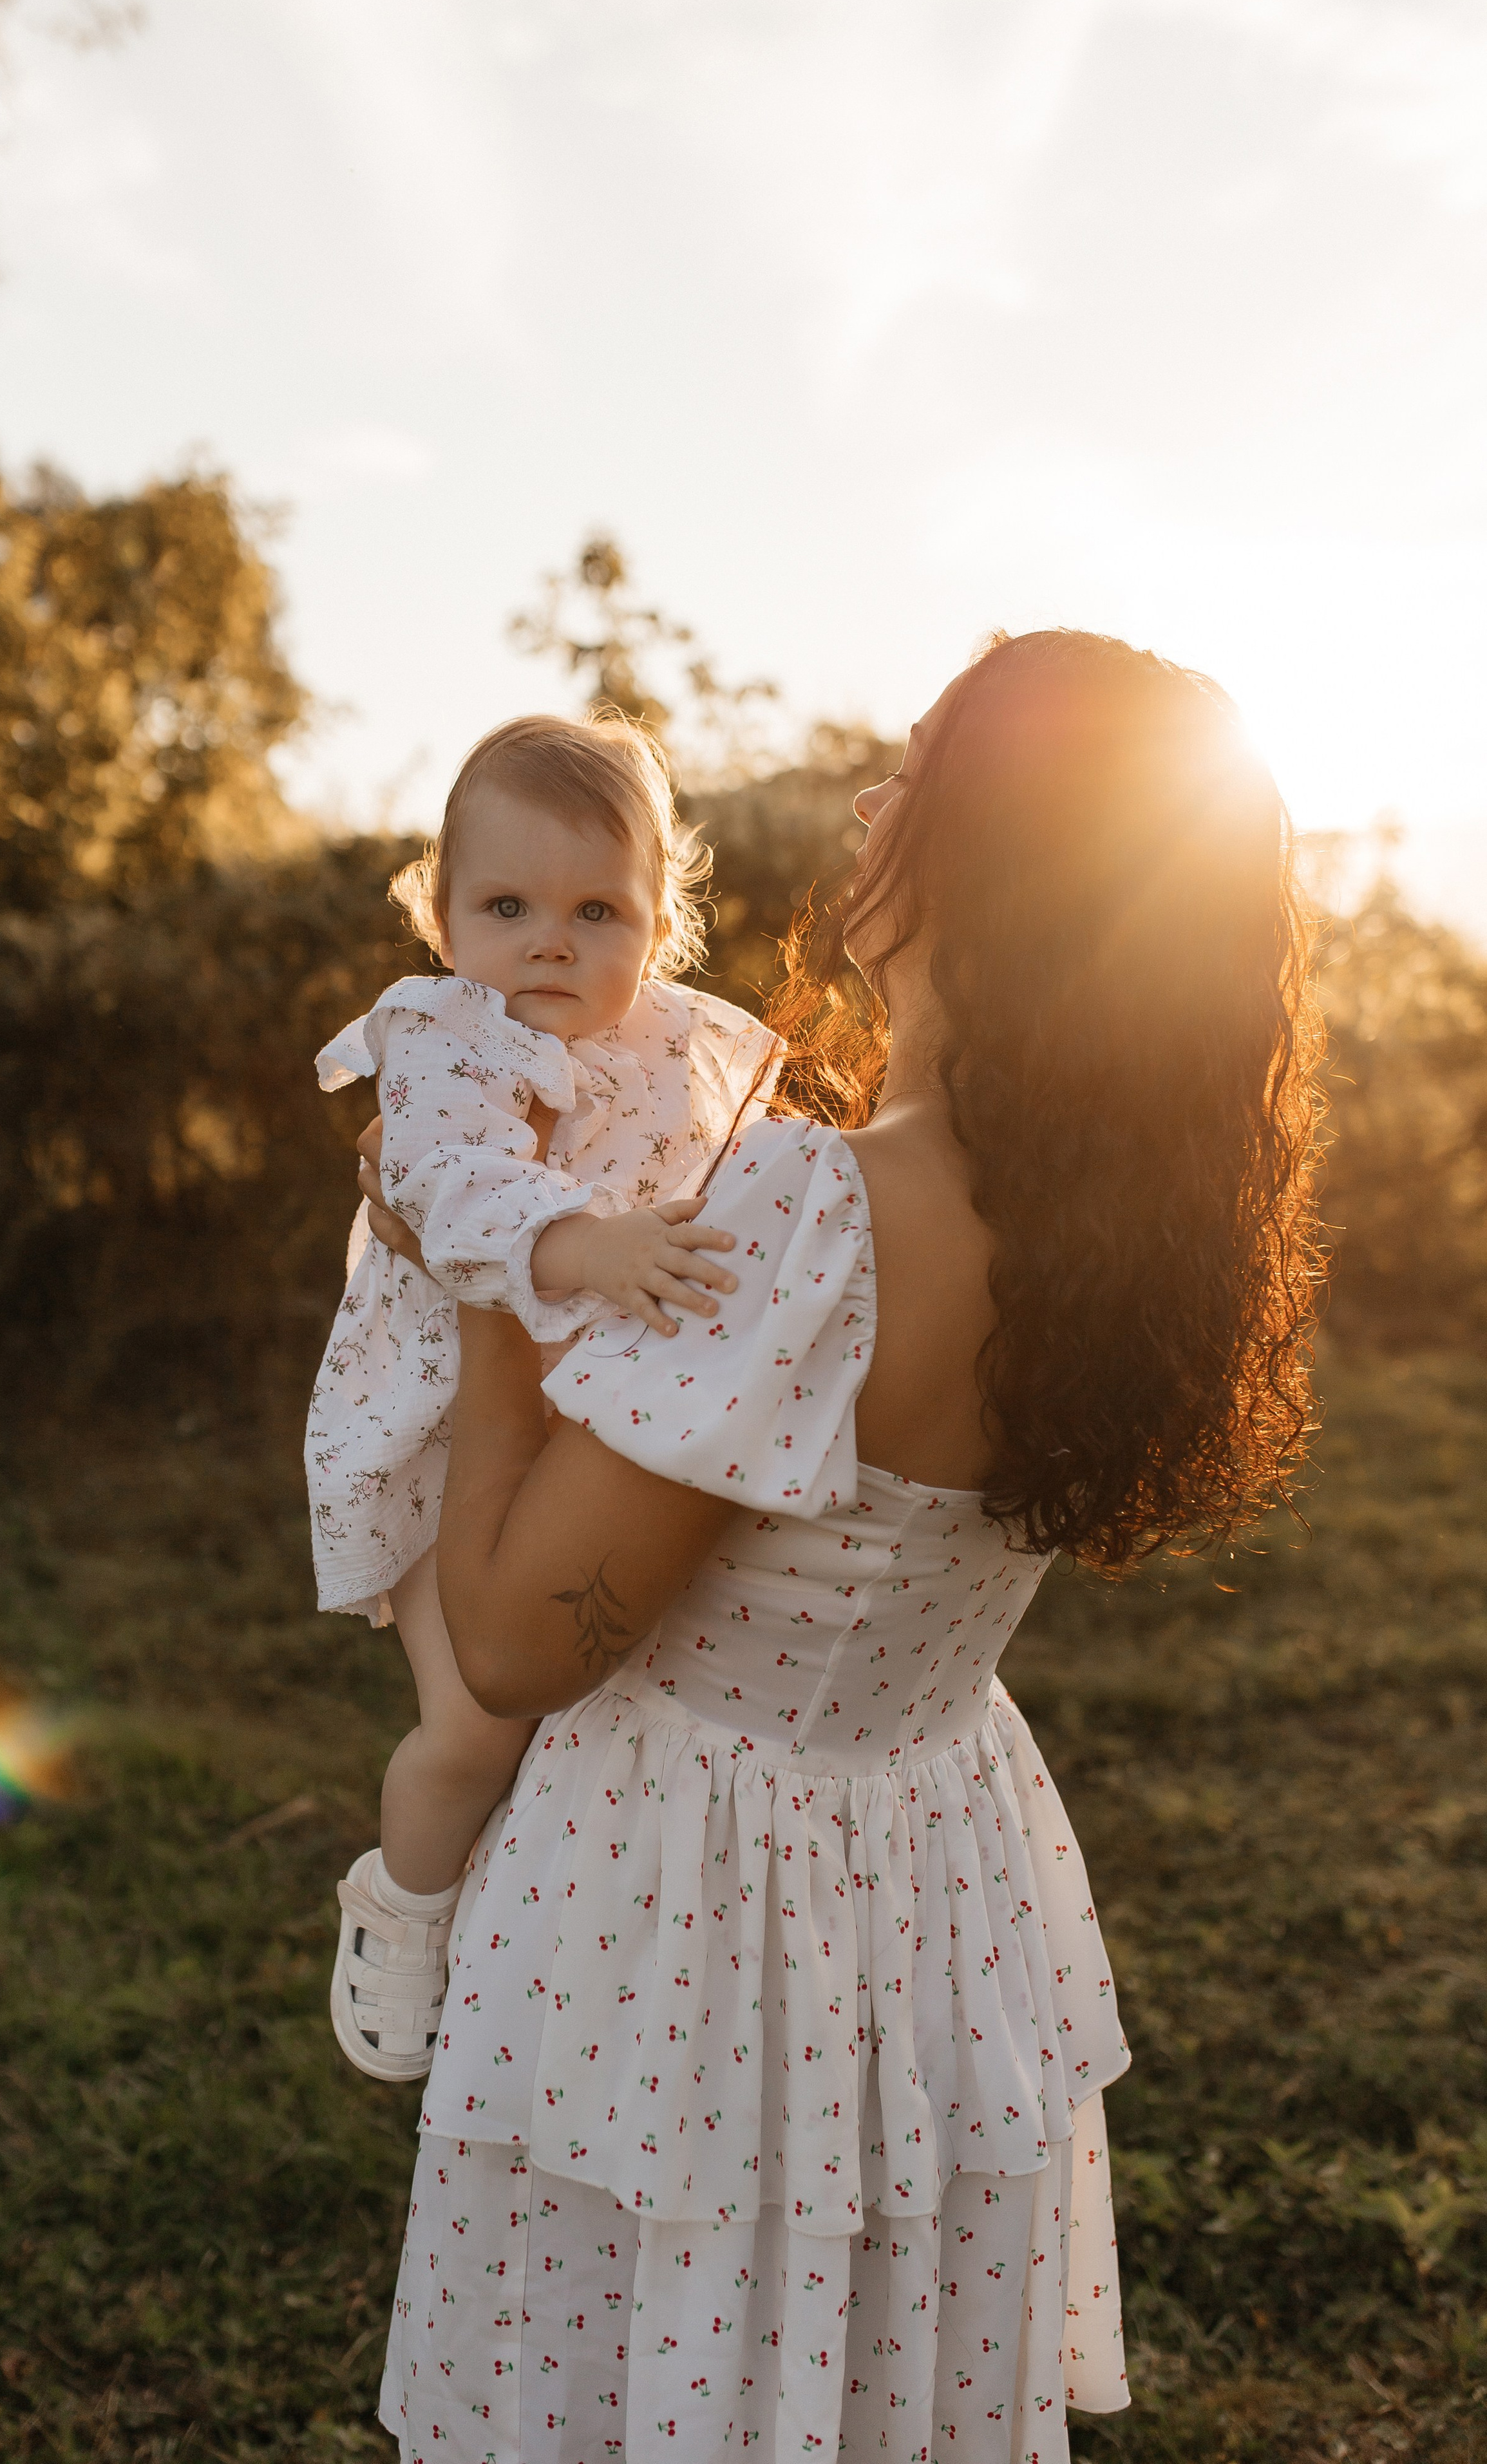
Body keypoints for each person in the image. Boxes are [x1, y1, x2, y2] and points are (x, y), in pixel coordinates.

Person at [360, 630, 1324, 2462]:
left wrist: (479, 1270)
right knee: (862, 2381)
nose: (869, 805)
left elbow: (508, 1642)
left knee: (636, 2378)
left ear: (990, 860)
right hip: (930, 1872)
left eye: (911, 774)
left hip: (691, 1909)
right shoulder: (1127, 1238)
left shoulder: (826, 1208)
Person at [311, 713, 779, 2082]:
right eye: (505, 905)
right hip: (438, 1426)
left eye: (597, 910)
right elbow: (454, 1192)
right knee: (472, 1728)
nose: (551, 944)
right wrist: (594, 1248)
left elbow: (769, 1155)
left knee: (591, 1727)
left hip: (599, 1428)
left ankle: (536, 1945)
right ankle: (399, 1905)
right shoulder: (445, 1041)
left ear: (659, 921)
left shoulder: (692, 1041)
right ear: (440, 913)